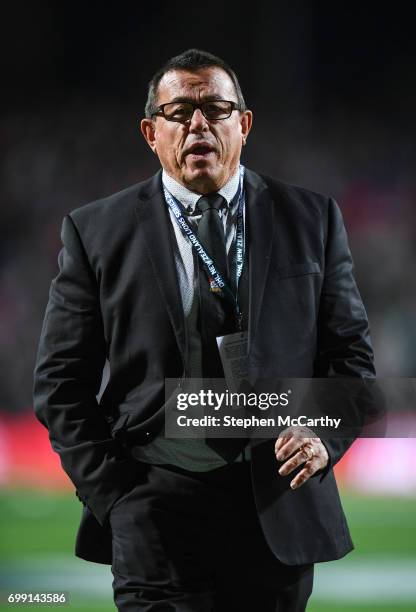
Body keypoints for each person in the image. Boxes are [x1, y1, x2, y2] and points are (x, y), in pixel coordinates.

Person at [33, 49, 375, 611]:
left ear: (243, 124)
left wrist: (322, 434)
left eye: (215, 109)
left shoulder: (310, 218)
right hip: (156, 506)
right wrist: (115, 495)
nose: (198, 123)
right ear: (150, 131)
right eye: (179, 111)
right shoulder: (96, 231)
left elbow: (351, 361)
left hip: (275, 506)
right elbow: (59, 382)